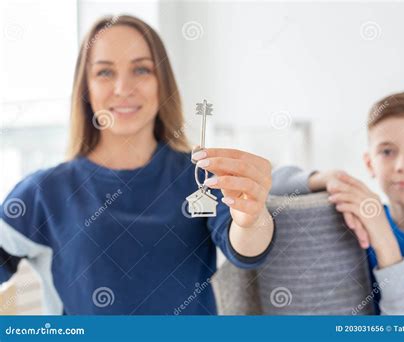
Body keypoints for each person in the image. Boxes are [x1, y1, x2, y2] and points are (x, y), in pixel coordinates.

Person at [0, 15, 274, 315]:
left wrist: (252, 218)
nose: (123, 87)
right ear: (86, 88)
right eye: (105, 72)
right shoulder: (43, 192)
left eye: (141, 69)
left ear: (162, 83)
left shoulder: (200, 177)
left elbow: (247, 249)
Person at [271, 92, 404, 314]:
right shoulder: (358, 216)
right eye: (387, 151)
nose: (402, 165)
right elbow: (270, 185)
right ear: (369, 164)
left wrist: (385, 242)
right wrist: (327, 178)